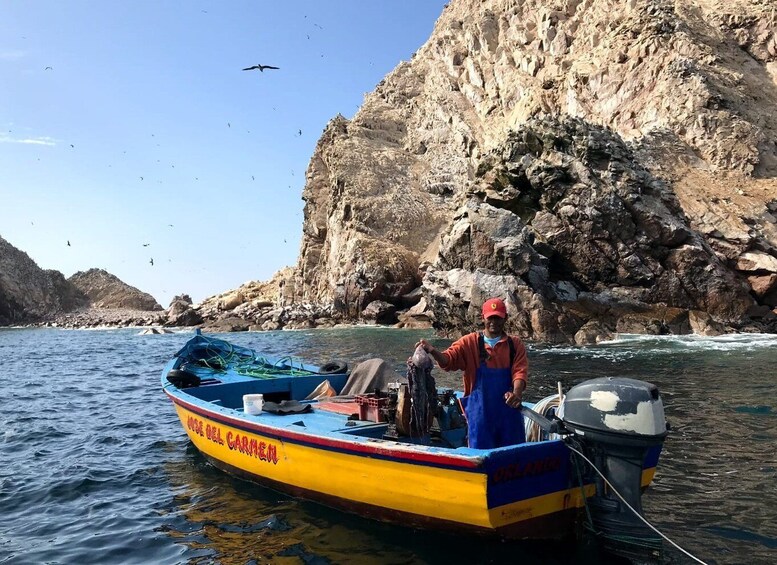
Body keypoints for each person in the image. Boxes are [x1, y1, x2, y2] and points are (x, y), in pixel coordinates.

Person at [415, 297, 528, 449]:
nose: (494, 322)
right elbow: (448, 360)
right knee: (480, 456)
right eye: (490, 318)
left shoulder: (515, 344)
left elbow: (519, 372)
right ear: (483, 318)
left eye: (498, 318)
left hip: (509, 415)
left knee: (514, 456)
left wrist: (516, 394)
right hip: (480, 418)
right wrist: (432, 350)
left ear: (505, 318)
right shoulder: (469, 342)